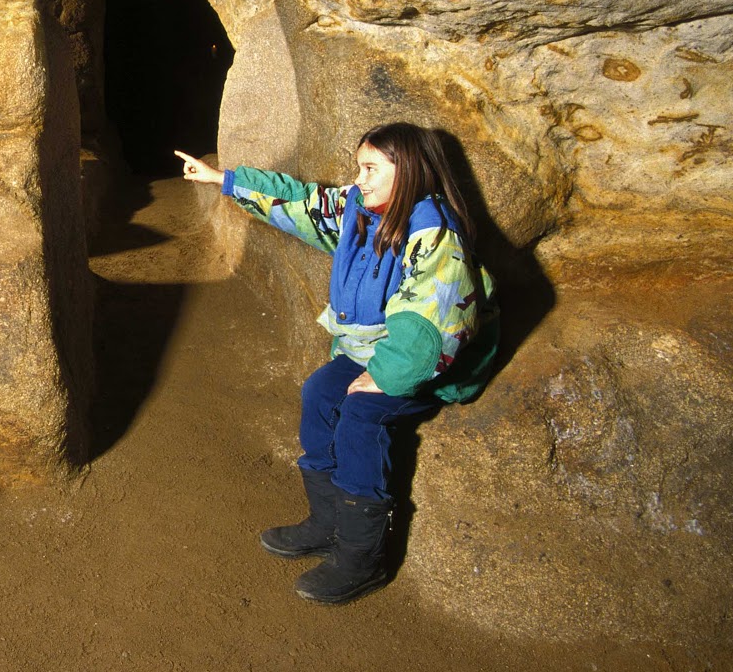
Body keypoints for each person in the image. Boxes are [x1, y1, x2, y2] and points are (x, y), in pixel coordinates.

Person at [175, 123, 498, 605]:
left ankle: (362, 558)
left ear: (409, 171)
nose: (359, 178)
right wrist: (224, 179)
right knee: (321, 392)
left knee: (361, 415)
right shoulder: (363, 209)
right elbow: (302, 202)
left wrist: (384, 377)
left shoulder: (435, 233)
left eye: (370, 168)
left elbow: (434, 321)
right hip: (375, 350)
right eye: (358, 167)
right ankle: (326, 522)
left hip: (426, 363)